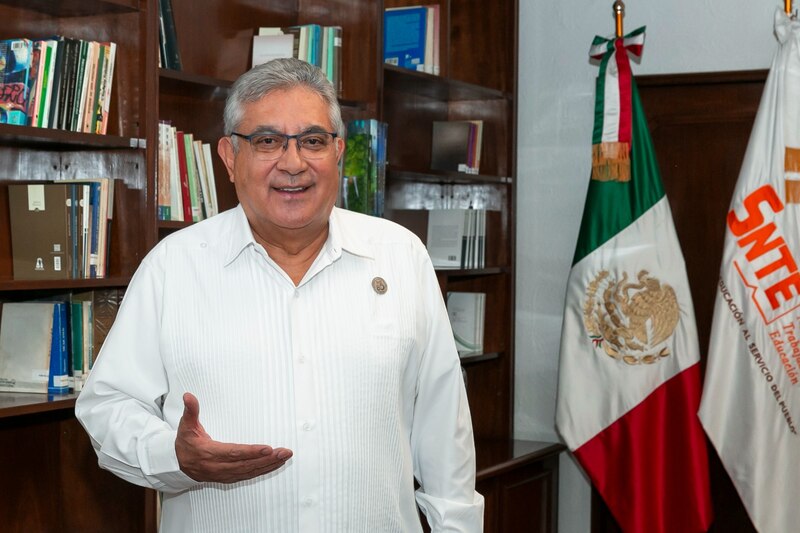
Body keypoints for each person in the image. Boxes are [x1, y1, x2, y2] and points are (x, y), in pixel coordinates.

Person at [75, 57, 484, 532]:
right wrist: (173, 455)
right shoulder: (173, 266)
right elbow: (107, 405)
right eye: (267, 141)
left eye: (312, 141)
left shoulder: (400, 256)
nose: (293, 163)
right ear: (230, 157)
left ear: (337, 152)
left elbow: (444, 429)